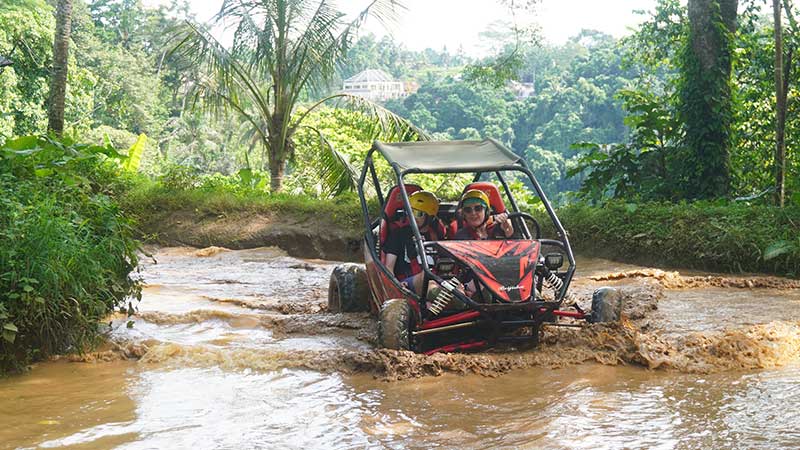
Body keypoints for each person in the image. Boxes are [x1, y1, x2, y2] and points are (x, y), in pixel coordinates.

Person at [383, 190, 446, 294]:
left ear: (429, 217)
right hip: (408, 282)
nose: (412, 217)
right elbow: (388, 267)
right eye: (410, 211)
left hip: (436, 281)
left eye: (418, 213)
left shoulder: (436, 236)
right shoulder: (398, 234)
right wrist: (396, 286)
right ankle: (440, 295)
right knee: (425, 276)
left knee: (456, 285)